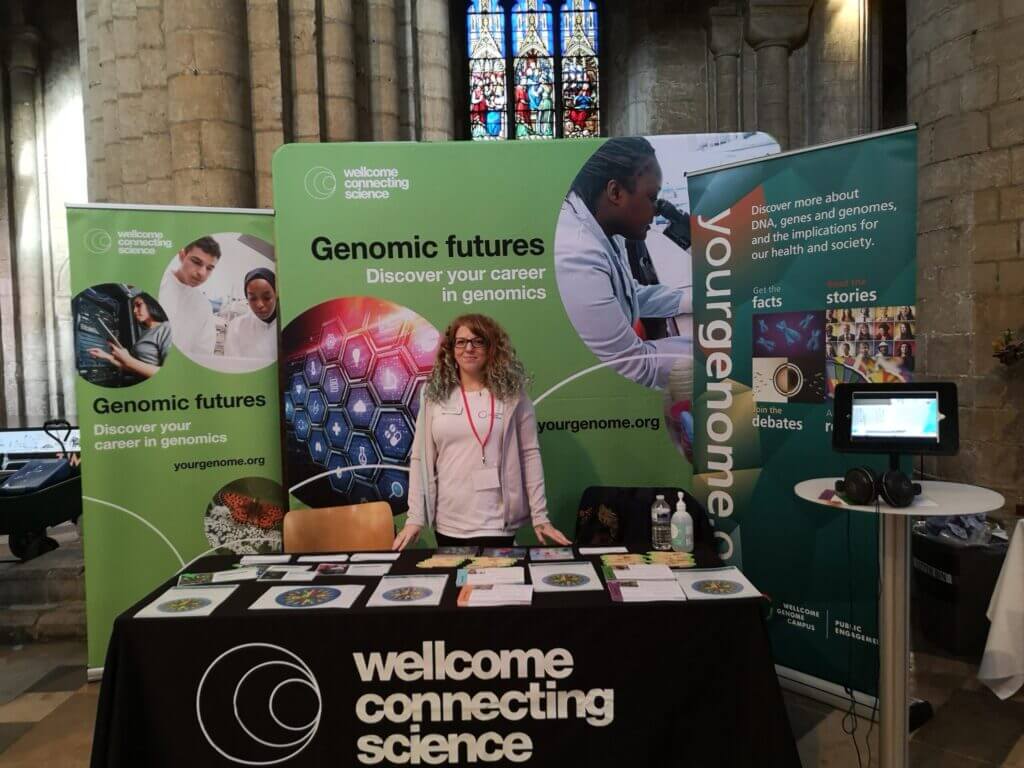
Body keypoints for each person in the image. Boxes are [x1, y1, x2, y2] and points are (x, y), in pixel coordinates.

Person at [393, 314, 570, 550]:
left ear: (492, 348)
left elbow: (529, 455)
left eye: (478, 341)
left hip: (497, 524)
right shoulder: (433, 396)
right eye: (461, 341)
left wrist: (540, 516)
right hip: (448, 524)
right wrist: (415, 517)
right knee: (457, 585)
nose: (469, 348)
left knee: (495, 586)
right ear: (451, 349)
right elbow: (420, 459)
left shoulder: (513, 396)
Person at [554, 137, 691, 390]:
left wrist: (694, 301)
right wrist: (717, 353)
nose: (657, 210)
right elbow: (636, 367)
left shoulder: (603, 225)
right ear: (615, 192)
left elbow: (628, 294)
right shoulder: (577, 255)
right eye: (652, 197)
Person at [88, 292, 170, 382]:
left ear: (152, 305)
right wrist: (107, 356)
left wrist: (129, 360)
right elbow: (135, 368)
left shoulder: (166, 327)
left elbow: (168, 373)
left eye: (138, 305)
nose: (134, 310)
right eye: (134, 307)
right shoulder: (146, 333)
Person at [159, 236, 219, 358]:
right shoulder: (158, 286)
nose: (202, 273)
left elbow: (203, 354)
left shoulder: (204, 306)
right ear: (182, 255)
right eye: (196, 262)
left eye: (209, 268)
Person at [224, 268, 278, 362]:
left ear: (276, 295)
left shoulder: (289, 324)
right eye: (253, 298)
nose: (260, 304)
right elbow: (232, 366)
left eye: (266, 297)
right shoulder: (237, 327)